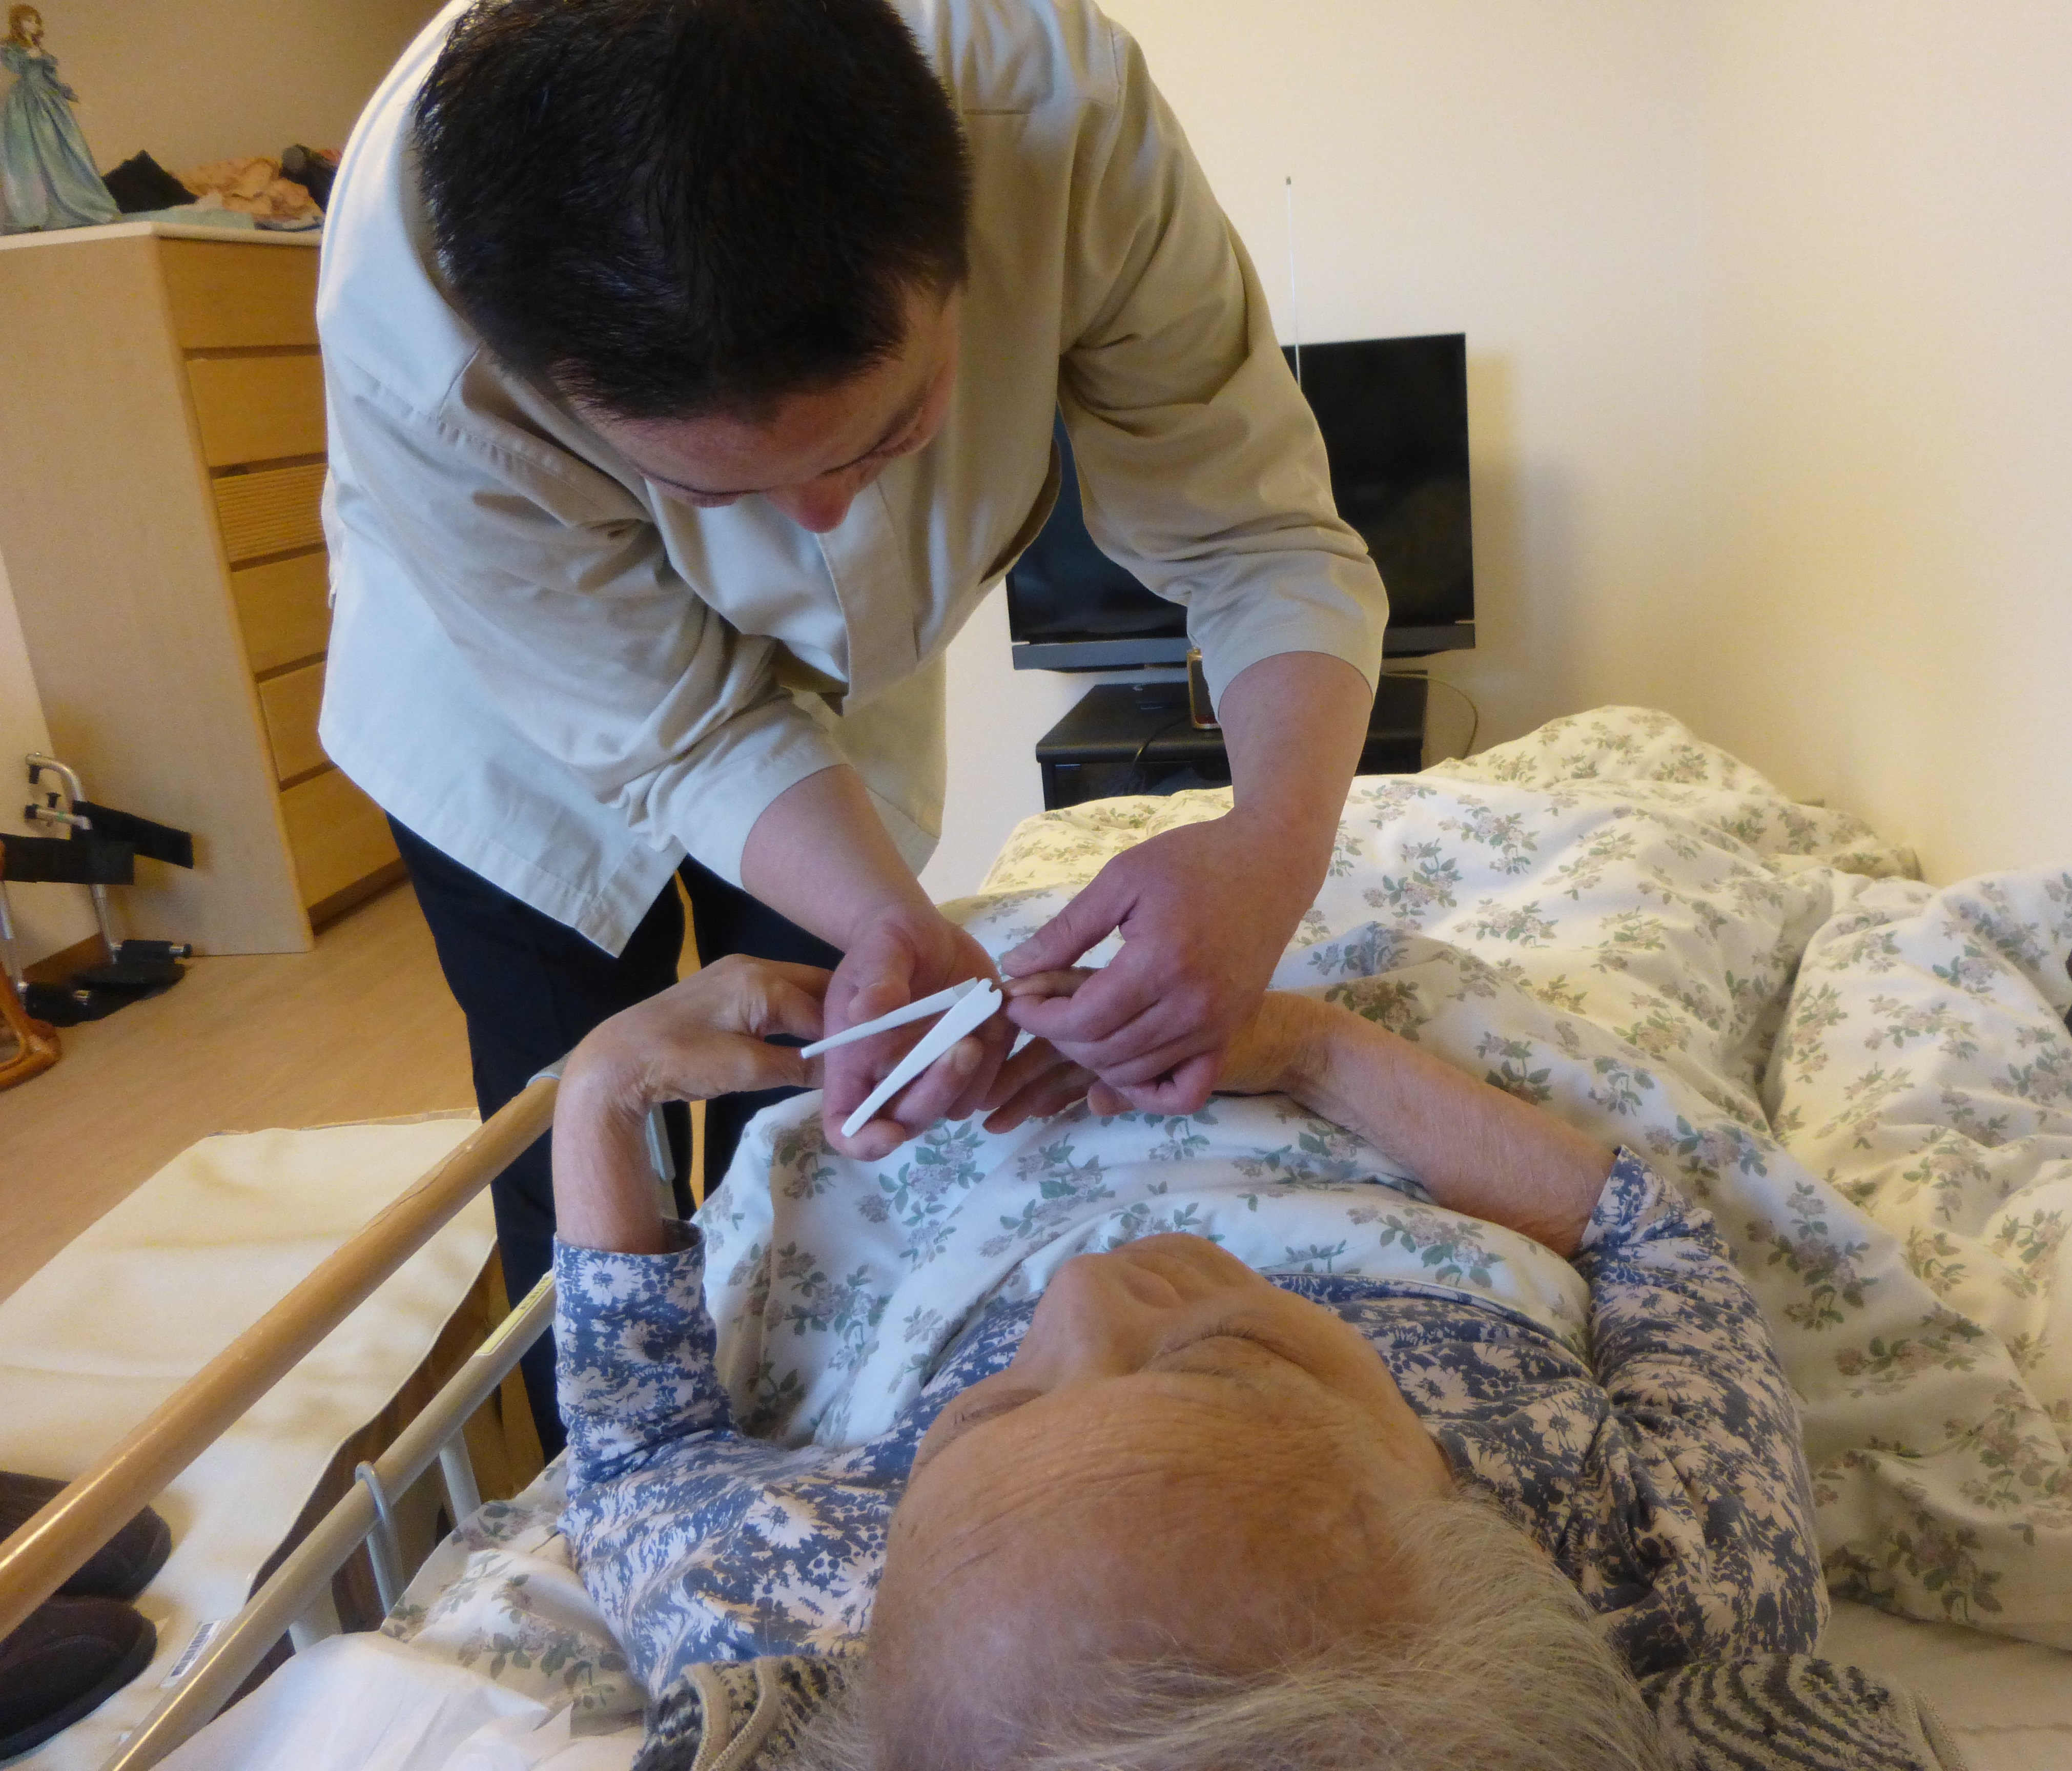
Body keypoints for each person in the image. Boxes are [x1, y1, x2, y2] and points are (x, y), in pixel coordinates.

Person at [318, 0, 1386, 1454]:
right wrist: (887, 916)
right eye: (709, 492)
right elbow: (681, 729)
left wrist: (1274, 849)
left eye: (893, 433)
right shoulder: (412, 335)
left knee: (830, 1098)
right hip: (512, 714)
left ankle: (781, 1382)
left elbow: (1257, 534)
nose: (818, 524)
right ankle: (591, 1456)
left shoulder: (1056, 113)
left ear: (961, 237)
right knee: (569, 1101)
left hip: (825, 714)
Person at [544, 959, 1828, 1768]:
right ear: (1457, 1491)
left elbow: (636, 1456)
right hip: (1386, 1144)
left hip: (969, 1171)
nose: (1083, 1293)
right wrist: (1314, 1046)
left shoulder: (824, 1605)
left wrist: (603, 1088)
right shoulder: (1678, 1582)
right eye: (1230, 1359)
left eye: (985, 1416)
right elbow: (1650, 1241)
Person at [1, 6, 121, 234]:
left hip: (50, 100)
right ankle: (36, 211)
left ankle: (72, 204)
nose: (33, 25)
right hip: (26, 102)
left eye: (36, 21)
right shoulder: (10, 47)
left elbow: (52, 78)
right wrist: (27, 56)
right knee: (31, 153)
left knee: (62, 150)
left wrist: (72, 97)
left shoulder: (40, 49)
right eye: (28, 20)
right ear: (19, 22)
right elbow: (14, 66)